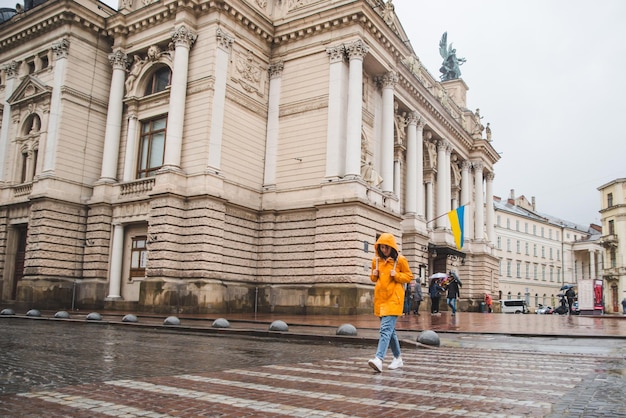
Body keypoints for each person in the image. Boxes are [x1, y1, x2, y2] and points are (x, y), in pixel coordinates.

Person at [368, 233, 413, 373]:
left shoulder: (400, 260)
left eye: (386, 247)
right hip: (381, 300)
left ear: (392, 247)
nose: (384, 250)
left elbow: (409, 276)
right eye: (381, 247)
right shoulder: (376, 261)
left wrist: (397, 275)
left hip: (394, 300)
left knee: (385, 330)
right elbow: (374, 279)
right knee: (390, 331)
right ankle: (398, 358)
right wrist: (374, 274)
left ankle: (379, 359)